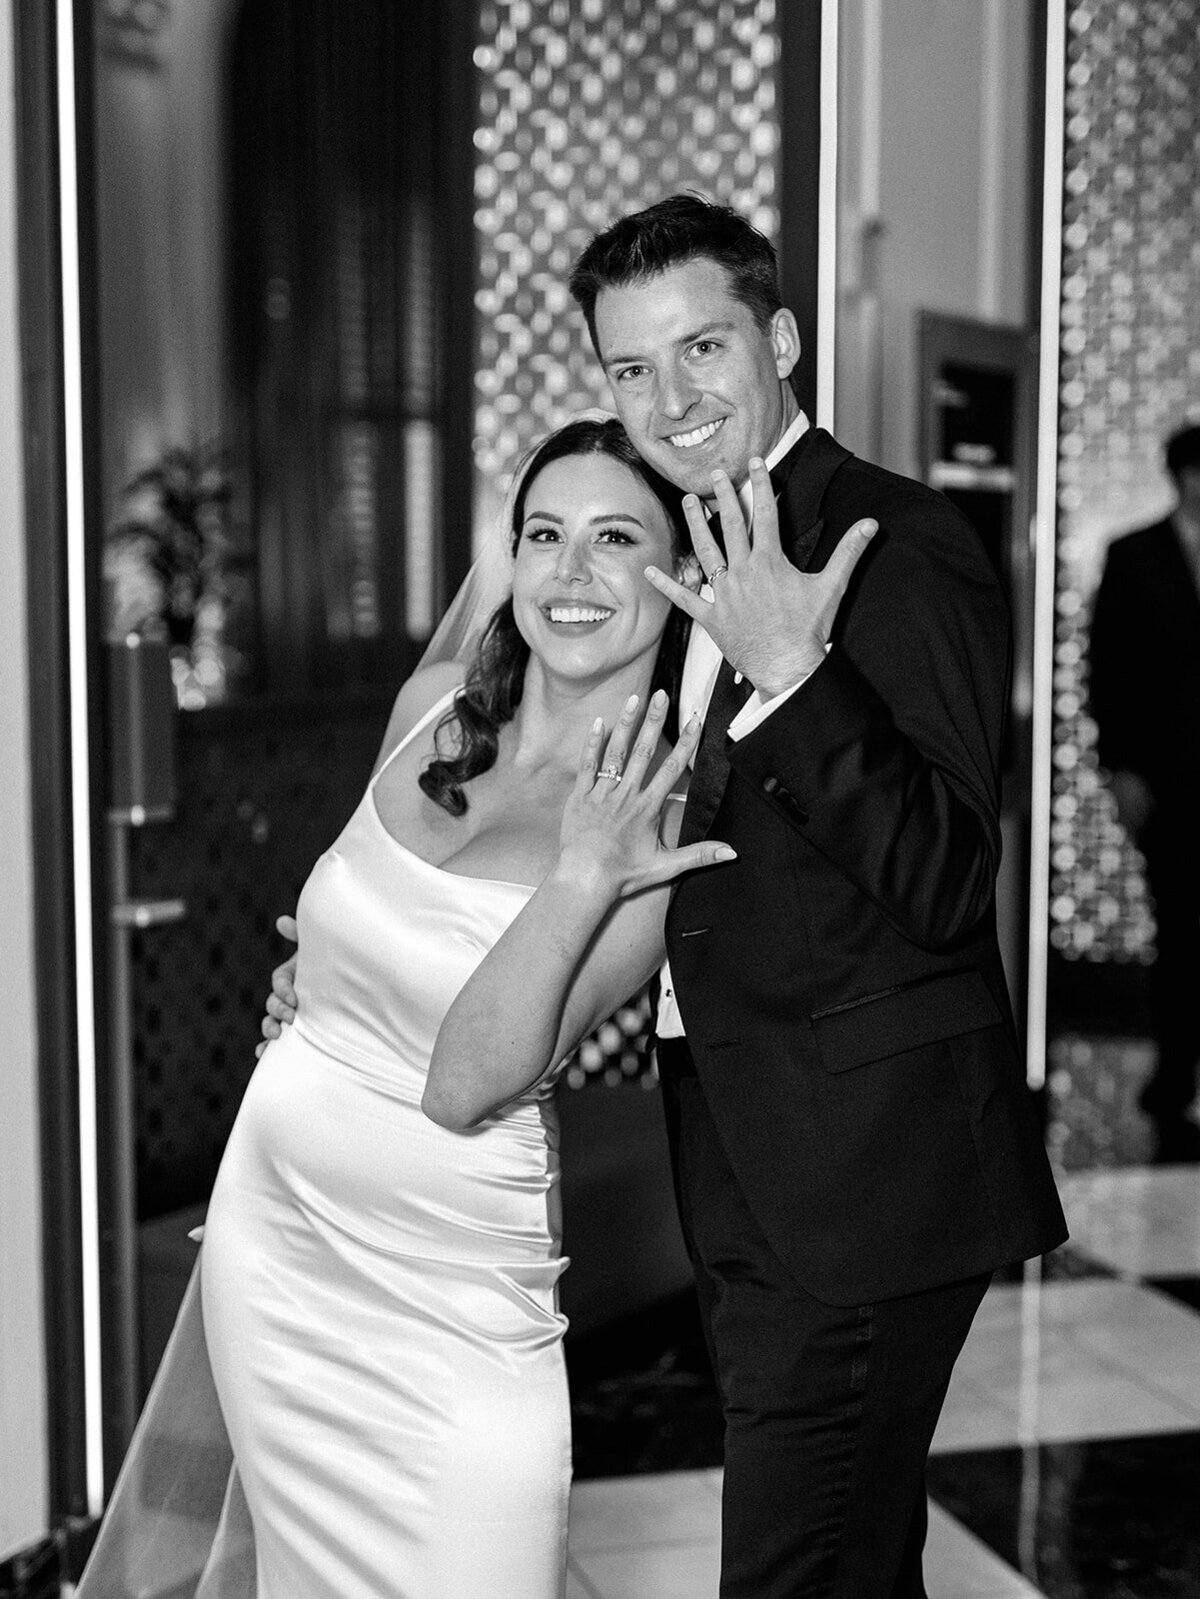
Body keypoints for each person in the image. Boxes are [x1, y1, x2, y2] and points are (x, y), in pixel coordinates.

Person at [264, 196, 1067, 1598]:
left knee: (794, 1563)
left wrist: (800, 677)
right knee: (850, 1558)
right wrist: (354, 987)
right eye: (631, 368)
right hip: (746, 1144)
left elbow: (947, 878)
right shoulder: (668, 554)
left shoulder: (892, 537)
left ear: (785, 338)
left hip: (869, 1171)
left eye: (703, 347)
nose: (671, 396)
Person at [78, 417, 757, 1599]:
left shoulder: (667, 821)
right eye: (545, 534)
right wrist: (319, 982)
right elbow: (346, 925)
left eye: (615, 538)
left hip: (453, 1302)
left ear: (681, 576)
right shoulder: (435, 708)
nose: (571, 573)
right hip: (276, 1248)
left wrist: (583, 871)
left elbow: (471, 1079)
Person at [1090, 422, 1200, 1157]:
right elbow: (1109, 669)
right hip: (1171, 780)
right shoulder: (1134, 555)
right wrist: (1121, 768)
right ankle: (1174, 1070)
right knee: (1182, 928)